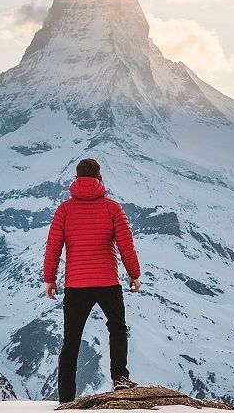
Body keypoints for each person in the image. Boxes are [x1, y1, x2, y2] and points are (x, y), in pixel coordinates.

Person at [43, 158, 142, 403]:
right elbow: (126, 245)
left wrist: (49, 278)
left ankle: (66, 398)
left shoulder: (64, 209)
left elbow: (53, 247)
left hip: (76, 285)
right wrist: (134, 274)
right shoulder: (112, 208)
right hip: (107, 281)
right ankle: (120, 377)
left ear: (76, 178)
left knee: (71, 339)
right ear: (99, 177)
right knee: (117, 328)